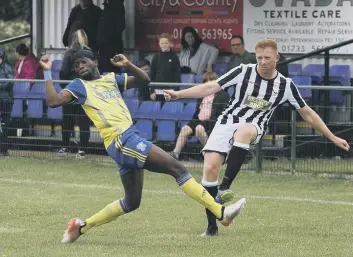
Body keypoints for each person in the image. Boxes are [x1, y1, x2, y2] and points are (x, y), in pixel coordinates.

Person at [39, 49, 246, 243]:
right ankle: (221, 213)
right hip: (122, 140)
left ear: (94, 62)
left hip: (127, 138)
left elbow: (144, 80)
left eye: (83, 61)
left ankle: (81, 227)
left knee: (132, 202)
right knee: (178, 168)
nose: (80, 66)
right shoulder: (79, 85)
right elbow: (53, 101)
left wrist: (128, 64)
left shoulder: (111, 79)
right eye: (76, 65)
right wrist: (47, 72)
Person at [164, 39, 350, 236]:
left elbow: (308, 114)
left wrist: (332, 137)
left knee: (244, 130)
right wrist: (179, 94)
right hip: (227, 121)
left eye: (267, 58)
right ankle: (212, 227)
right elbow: (211, 87)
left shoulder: (285, 86)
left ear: (276, 58)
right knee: (209, 169)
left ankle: (224, 187)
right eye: (259, 57)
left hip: (254, 126)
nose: (262, 62)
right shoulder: (243, 71)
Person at [169, 72, 229, 160]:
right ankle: (175, 154)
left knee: (199, 129)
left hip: (212, 122)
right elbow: (197, 112)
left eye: (211, 81)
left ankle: (210, 154)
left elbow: (225, 113)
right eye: (206, 81)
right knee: (185, 129)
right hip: (199, 120)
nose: (208, 83)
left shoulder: (223, 95)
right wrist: (192, 122)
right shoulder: (202, 95)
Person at [58, 29, 91, 158]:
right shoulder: (90, 53)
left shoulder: (69, 53)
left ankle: (65, 146)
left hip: (71, 90)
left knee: (67, 119)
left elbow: (63, 72)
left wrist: (65, 87)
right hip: (85, 90)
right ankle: (82, 149)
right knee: (84, 121)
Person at [150, 33, 181, 102]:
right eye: (162, 43)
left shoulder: (174, 56)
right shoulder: (156, 56)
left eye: (166, 43)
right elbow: (152, 75)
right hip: (157, 90)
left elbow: (177, 75)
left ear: (170, 43)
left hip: (171, 90)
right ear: (159, 44)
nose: (164, 45)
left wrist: (176, 91)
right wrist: (152, 91)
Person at [96, 0, 125, 73]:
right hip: (105, 47)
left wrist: (102, 39)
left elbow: (120, 26)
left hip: (111, 47)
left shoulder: (117, 6)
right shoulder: (107, 7)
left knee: (110, 70)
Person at [0, 48, 14, 156]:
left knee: (5, 126)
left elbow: (10, 81)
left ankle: (3, 149)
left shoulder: (7, 68)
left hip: (5, 100)